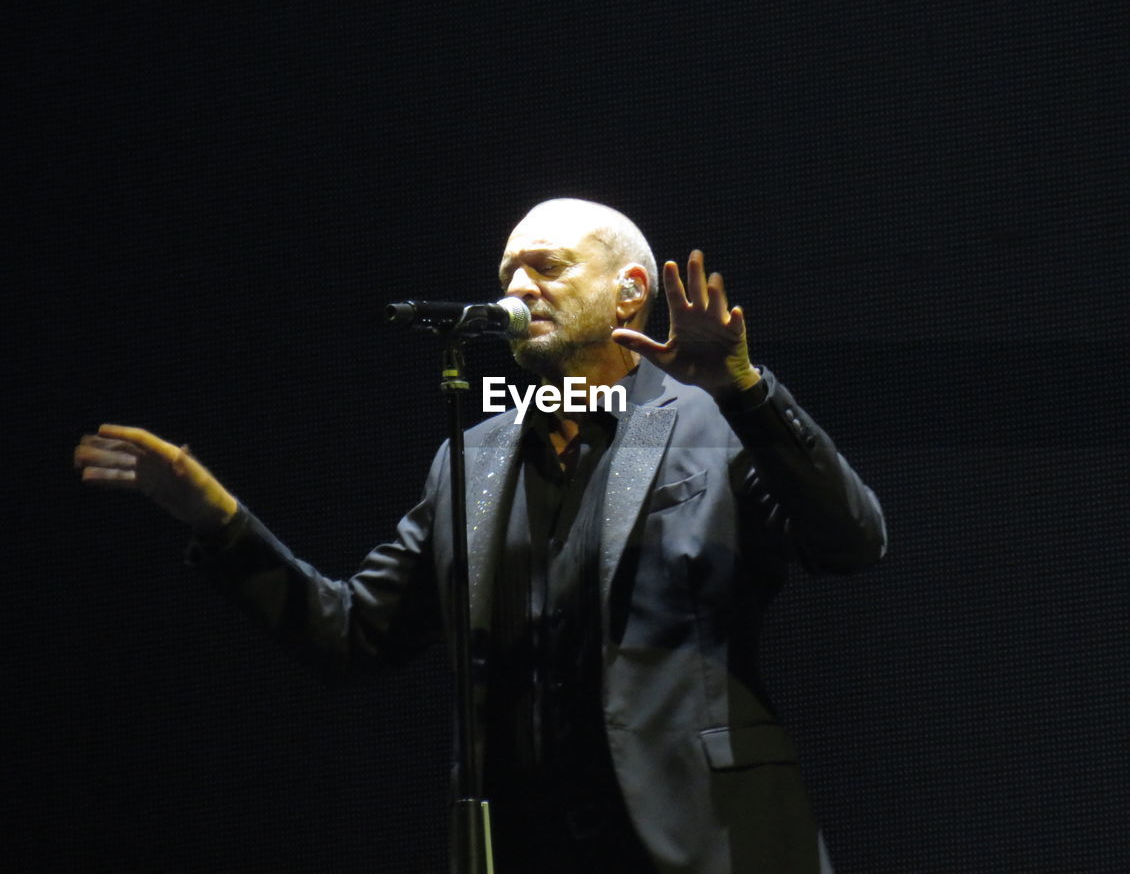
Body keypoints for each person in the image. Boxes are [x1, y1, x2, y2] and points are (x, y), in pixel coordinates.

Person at [74, 198, 886, 874]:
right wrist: (217, 520)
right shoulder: (474, 460)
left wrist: (746, 388)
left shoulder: (713, 423)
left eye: (547, 266)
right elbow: (350, 634)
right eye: (506, 273)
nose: (518, 286)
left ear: (629, 292)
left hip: (708, 841)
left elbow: (851, 540)